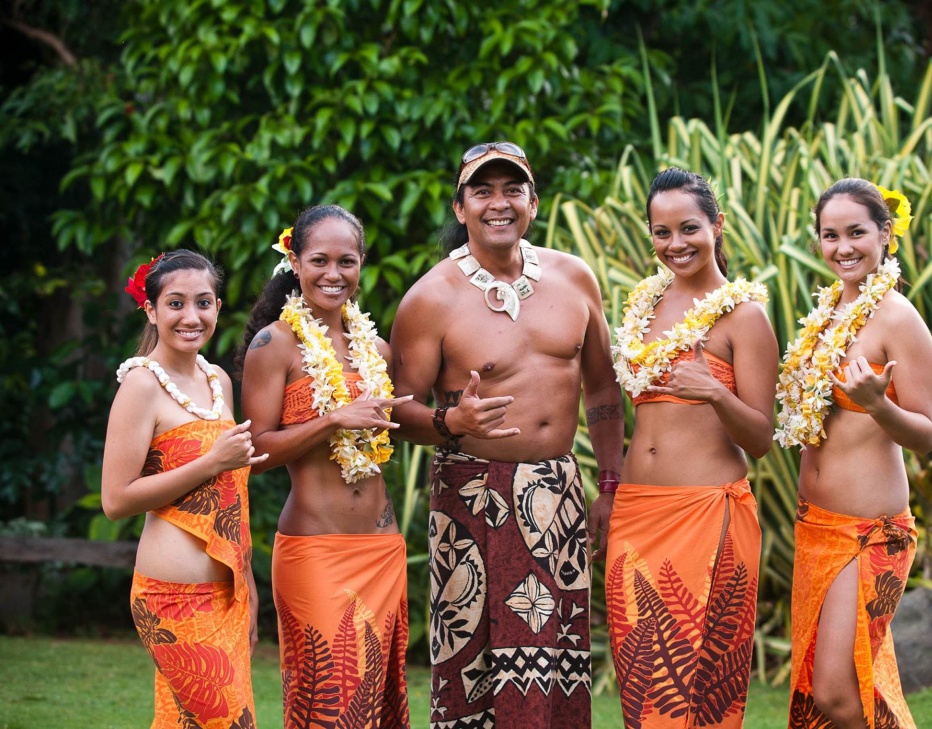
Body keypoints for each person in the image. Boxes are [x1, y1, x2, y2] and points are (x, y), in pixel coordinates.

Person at [389, 142, 624, 728]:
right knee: (474, 664)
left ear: (533, 203)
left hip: (559, 494)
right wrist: (451, 423)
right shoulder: (430, 299)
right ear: (461, 206)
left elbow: (601, 390)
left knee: (555, 662)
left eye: (512, 189)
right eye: (483, 191)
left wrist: (611, 485)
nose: (500, 203)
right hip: (472, 498)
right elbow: (396, 412)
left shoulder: (575, 278)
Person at [604, 168, 778, 728]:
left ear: (716, 225)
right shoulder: (643, 308)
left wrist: (714, 395)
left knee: (696, 682)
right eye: (661, 232)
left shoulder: (744, 316)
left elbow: (761, 439)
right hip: (636, 512)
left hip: (706, 511)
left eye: (688, 228)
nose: (675, 244)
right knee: (642, 683)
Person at [239, 205, 413, 729]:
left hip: (382, 549)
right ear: (294, 260)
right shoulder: (274, 345)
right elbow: (256, 456)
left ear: (362, 265)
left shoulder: (376, 351)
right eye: (319, 260)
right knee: (332, 703)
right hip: (315, 552)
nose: (333, 274)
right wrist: (331, 421)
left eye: (347, 261)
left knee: (376, 709)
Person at [776, 178, 932, 729]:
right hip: (815, 525)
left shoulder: (898, 319)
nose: (842, 246)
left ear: (885, 234)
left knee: (837, 693)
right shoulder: (825, 317)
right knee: (833, 688)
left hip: (868, 530)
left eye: (856, 232)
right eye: (829, 235)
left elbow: (926, 435)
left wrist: (878, 407)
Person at [102, 249, 266, 729]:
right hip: (170, 597)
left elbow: (232, 497)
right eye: (175, 303)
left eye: (204, 302)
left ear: (217, 307)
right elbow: (116, 500)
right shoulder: (140, 384)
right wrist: (211, 461)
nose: (191, 317)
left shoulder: (217, 380)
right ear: (151, 310)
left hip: (226, 591)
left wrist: (248, 586)